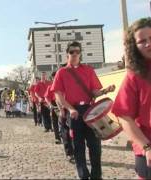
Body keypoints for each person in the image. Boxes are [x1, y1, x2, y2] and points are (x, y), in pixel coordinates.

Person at [52, 41, 115, 179]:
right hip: (73, 113)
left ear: (80, 54)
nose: (75, 54)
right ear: (67, 54)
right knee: (78, 147)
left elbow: (94, 92)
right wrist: (69, 109)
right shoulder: (61, 72)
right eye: (71, 52)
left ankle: (96, 176)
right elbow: (58, 95)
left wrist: (105, 91)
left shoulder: (88, 70)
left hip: (90, 111)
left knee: (95, 146)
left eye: (77, 51)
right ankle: (83, 175)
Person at [111, 17, 151, 179]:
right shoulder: (134, 76)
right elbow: (124, 116)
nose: (148, 44)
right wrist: (146, 147)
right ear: (134, 46)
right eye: (142, 41)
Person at [44, 72, 61, 144]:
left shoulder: (63, 85)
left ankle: (65, 136)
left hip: (64, 103)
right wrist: (50, 105)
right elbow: (46, 98)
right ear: (52, 79)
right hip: (54, 105)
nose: (55, 79)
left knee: (64, 122)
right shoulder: (50, 87)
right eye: (54, 78)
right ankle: (57, 138)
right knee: (55, 122)